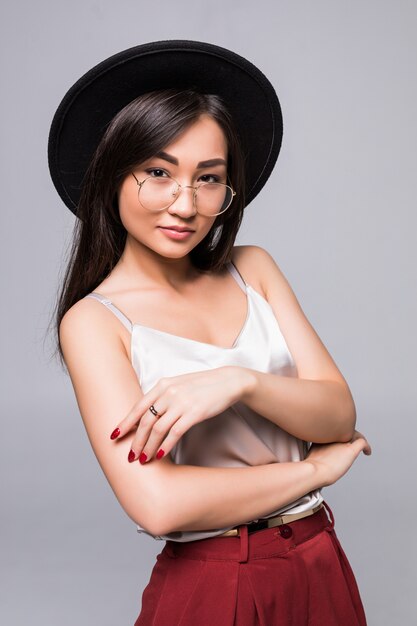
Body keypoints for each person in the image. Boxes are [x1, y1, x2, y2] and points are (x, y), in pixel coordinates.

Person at [48, 40, 371, 625]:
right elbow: (158, 504)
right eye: (157, 172)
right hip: (218, 580)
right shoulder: (94, 322)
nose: (184, 203)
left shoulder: (254, 268)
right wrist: (314, 472)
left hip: (320, 561)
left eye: (208, 178)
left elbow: (338, 415)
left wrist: (240, 383)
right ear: (113, 175)